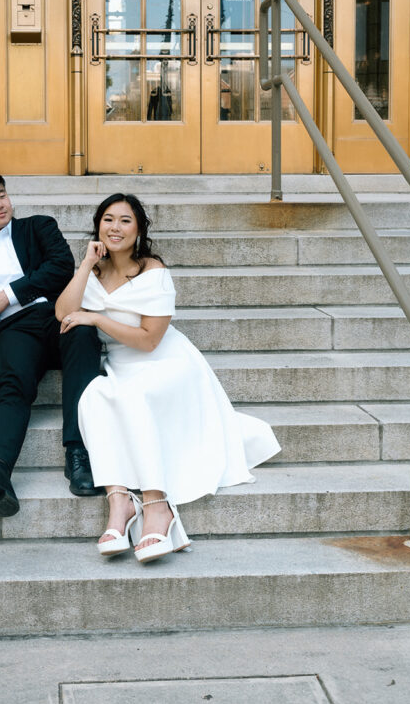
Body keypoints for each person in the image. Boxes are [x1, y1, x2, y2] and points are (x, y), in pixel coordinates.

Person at [55, 193, 281, 562]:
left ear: (139, 228)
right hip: (121, 363)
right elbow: (63, 312)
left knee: (134, 398)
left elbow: (148, 340)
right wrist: (85, 265)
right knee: (94, 396)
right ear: (98, 225)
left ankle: (157, 505)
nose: (115, 227)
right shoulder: (93, 272)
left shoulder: (153, 271)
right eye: (108, 219)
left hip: (167, 362)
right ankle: (119, 502)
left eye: (125, 220)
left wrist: (96, 318)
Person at [0, 169, 103, 517]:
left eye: (2, 194)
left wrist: (6, 295)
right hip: (13, 330)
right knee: (11, 385)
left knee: (83, 333)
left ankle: (79, 456)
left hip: (56, 314)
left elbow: (62, 268)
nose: (0, 204)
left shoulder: (38, 227)